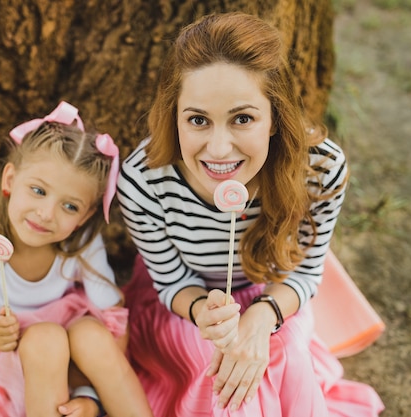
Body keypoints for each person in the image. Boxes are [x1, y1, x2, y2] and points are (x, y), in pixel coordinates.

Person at [117, 12, 385, 417]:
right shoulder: (144, 179)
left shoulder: (320, 170)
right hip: (188, 306)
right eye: (198, 120)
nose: (219, 148)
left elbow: (308, 271)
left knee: (288, 355)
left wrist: (262, 317)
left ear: (274, 117)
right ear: (175, 116)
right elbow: (171, 282)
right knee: (223, 377)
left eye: (242, 118)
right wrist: (204, 314)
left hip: (272, 292)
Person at [0, 101, 153, 417]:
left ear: (86, 216)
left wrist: (89, 396)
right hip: (7, 360)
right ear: (9, 180)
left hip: (73, 361)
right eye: (38, 190)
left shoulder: (81, 241)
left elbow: (113, 321)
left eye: (70, 207)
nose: (46, 214)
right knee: (46, 338)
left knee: (90, 334)